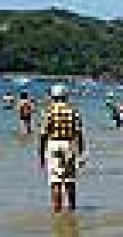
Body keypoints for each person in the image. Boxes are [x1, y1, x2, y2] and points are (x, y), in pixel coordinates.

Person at [39, 84, 85, 214]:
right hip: (69, 145)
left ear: (53, 97)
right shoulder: (74, 111)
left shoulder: (49, 111)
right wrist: (81, 152)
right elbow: (79, 133)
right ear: (65, 96)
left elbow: (43, 135)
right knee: (70, 181)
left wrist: (41, 155)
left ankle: (57, 212)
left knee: (56, 182)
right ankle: (71, 210)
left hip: (53, 144)